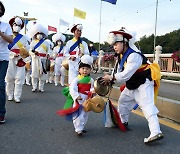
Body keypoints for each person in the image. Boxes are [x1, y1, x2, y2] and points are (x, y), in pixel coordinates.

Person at [102, 28, 163, 144]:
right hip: (132, 84)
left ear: (125, 42)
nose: (114, 46)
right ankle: (123, 122)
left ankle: (156, 132)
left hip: (143, 82)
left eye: (116, 43)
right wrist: (110, 79)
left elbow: (125, 75)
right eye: (113, 44)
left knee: (147, 105)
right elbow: (119, 71)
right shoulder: (121, 55)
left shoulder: (134, 55)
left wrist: (111, 78)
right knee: (123, 101)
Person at [6, 17, 30, 103]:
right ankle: (10, 94)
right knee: (9, 78)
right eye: (15, 25)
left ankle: (17, 96)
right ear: (12, 26)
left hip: (20, 59)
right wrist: (12, 54)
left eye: (19, 25)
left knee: (19, 78)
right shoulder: (7, 36)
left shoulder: (24, 38)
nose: (17, 27)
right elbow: (4, 48)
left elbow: (27, 49)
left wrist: (22, 56)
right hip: (10, 59)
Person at [69, 55, 94, 136]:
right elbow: (72, 88)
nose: (85, 71)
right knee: (78, 113)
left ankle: (82, 126)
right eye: (83, 68)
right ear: (79, 69)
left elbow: (92, 88)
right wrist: (76, 96)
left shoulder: (91, 80)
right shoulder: (76, 79)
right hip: (79, 98)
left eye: (87, 69)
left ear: (90, 70)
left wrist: (92, 92)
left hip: (87, 99)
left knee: (86, 113)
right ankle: (78, 128)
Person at [0, 1, 13, 123]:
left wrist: (1, 33)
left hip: (2, 59)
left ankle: (1, 113)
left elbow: (10, 40)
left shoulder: (6, 26)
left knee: (0, 85)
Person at [28, 23, 50, 92]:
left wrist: (48, 54)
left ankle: (41, 88)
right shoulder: (33, 42)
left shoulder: (46, 43)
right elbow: (30, 51)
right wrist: (34, 54)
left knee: (42, 74)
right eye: (38, 33)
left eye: (41, 33)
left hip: (43, 59)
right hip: (35, 59)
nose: (39, 35)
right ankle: (34, 87)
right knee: (34, 73)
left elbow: (49, 51)